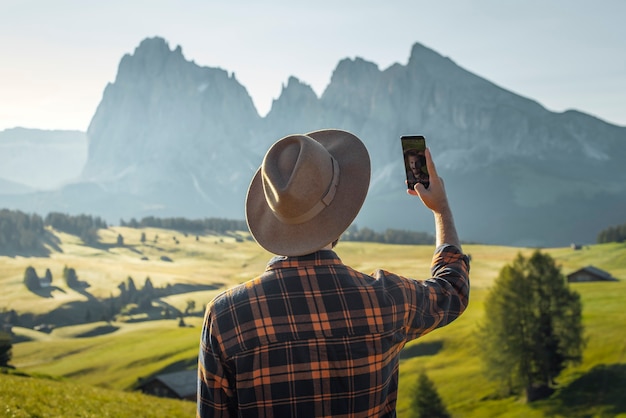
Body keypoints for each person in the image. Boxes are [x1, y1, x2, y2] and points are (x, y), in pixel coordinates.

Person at [197, 129, 470, 417]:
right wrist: (441, 210)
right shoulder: (387, 300)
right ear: (342, 211)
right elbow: (452, 289)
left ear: (275, 215)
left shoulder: (227, 316)